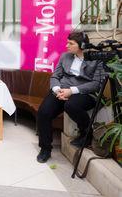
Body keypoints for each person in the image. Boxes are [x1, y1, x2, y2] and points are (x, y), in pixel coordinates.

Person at [36, 32, 105, 163]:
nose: (67, 45)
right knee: (44, 112)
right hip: (61, 90)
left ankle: (86, 133)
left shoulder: (96, 60)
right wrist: (57, 90)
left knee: (71, 105)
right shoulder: (65, 57)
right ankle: (45, 149)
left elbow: (96, 84)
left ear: (82, 45)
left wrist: (72, 91)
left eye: (71, 43)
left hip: (83, 92)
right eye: (68, 42)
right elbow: (55, 76)